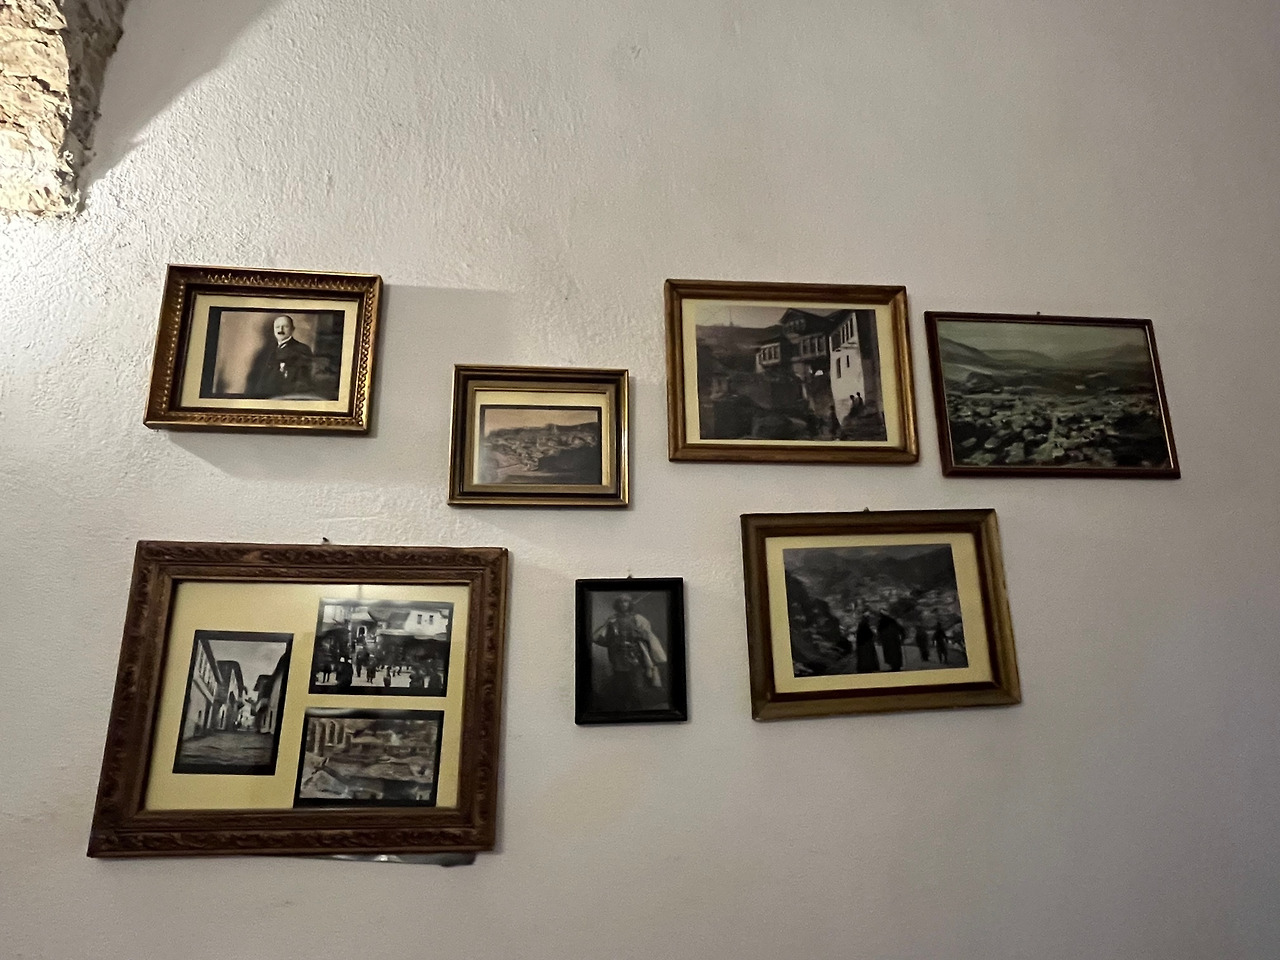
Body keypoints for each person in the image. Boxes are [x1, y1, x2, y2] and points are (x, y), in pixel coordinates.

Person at [592, 594, 668, 711]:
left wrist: (639, 634)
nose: (623, 604)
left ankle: (637, 709)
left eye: (626, 602)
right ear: (617, 604)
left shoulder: (638, 619)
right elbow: (599, 638)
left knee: (637, 684)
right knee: (620, 685)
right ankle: (623, 710)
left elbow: (648, 637)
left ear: (630, 604)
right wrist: (612, 639)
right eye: (621, 602)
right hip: (618, 658)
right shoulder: (612, 620)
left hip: (635, 657)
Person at [247, 314, 313, 398]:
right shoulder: (266, 351)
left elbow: (303, 380)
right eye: (277, 327)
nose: (280, 330)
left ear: (292, 329)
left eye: (285, 327)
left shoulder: (302, 349)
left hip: (286, 397)